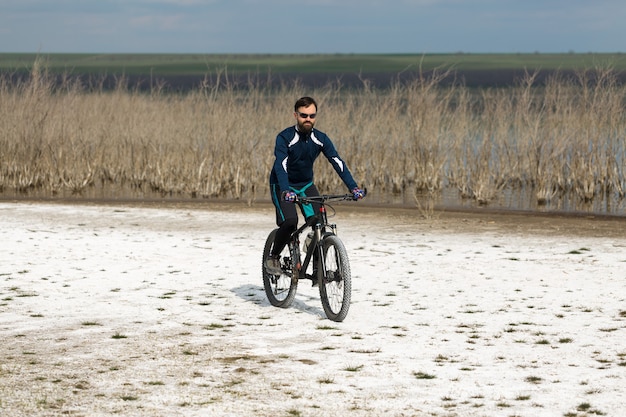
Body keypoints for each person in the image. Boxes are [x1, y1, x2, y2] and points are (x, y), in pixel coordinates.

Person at [265, 96, 364, 274]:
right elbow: (281, 165)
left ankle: (319, 269)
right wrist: (286, 190)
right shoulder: (285, 137)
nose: (308, 119)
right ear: (295, 115)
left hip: (305, 186)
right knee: (290, 222)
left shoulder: (320, 138)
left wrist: (353, 187)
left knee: (319, 222)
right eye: (304, 115)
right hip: (282, 185)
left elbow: (337, 162)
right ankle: (273, 257)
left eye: (312, 115)